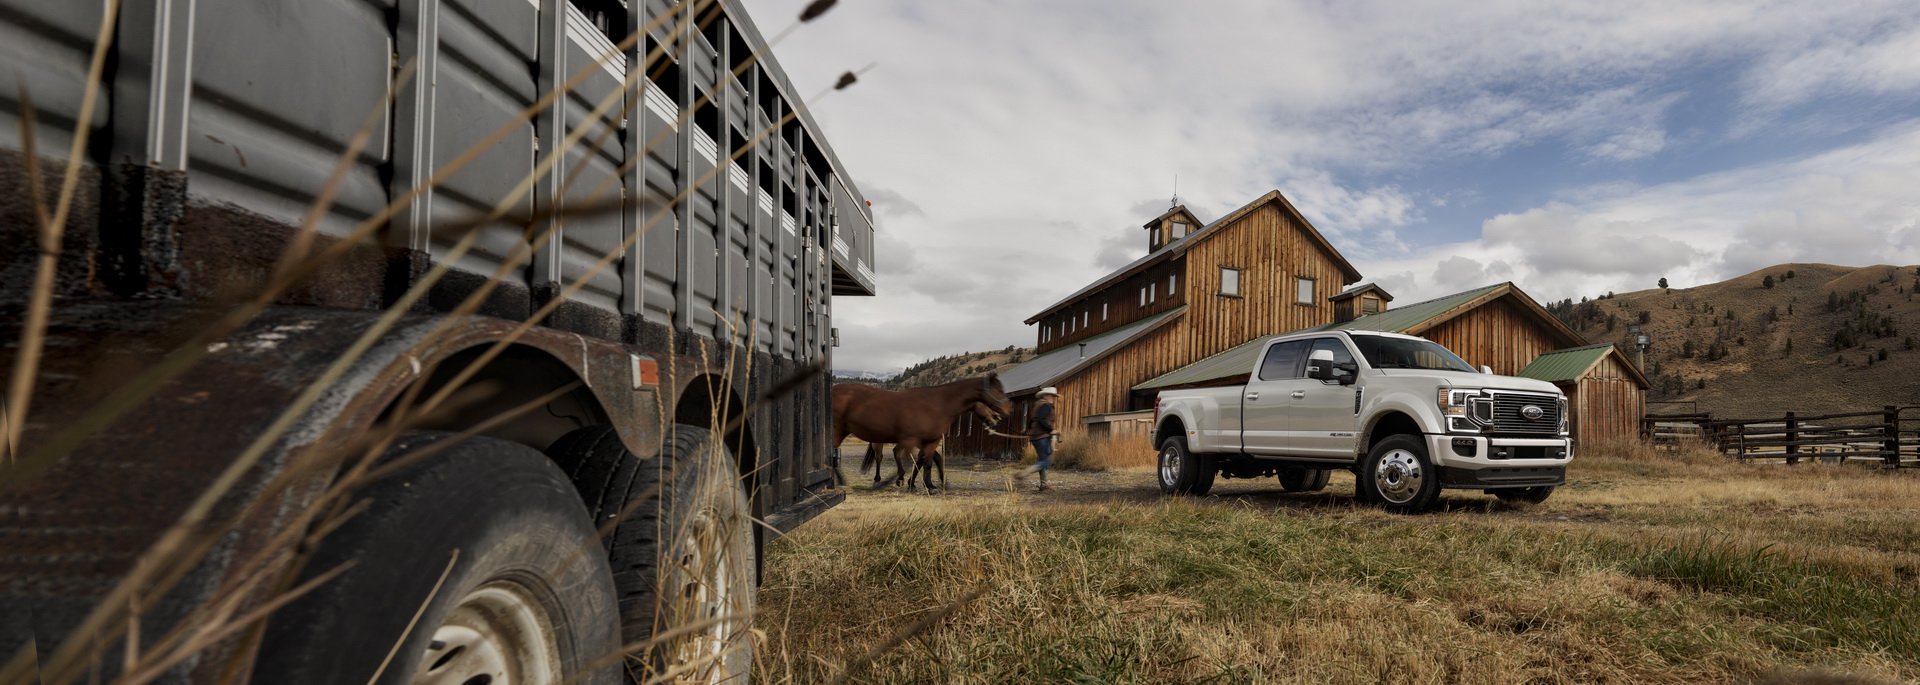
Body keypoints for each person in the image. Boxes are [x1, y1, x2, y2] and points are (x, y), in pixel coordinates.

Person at [1021, 387, 1060, 491]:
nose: (1053, 398)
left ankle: (1044, 485)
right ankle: (1023, 474)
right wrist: (1051, 430)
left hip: (1036, 436)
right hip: (1042, 436)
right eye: (1052, 396)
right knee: (1047, 460)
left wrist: (1029, 431)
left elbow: (1031, 421)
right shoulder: (1046, 405)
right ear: (1046, 396)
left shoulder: (1037, 405)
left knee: (1042, 459)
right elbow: (1041, 419)